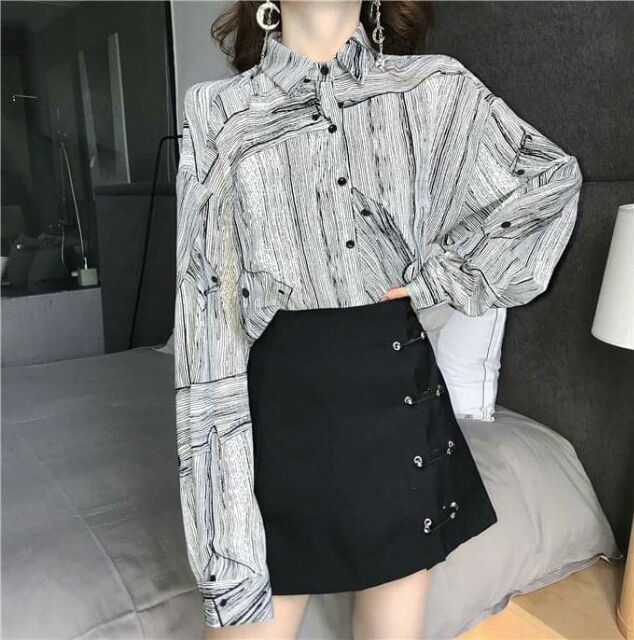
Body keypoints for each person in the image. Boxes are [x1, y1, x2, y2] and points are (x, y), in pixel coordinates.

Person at [174, 1, 583, 638]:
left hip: (397, 409)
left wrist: (439, 280)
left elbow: (548, 182)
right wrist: (221, 525)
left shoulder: (435, 89)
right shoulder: (218, 112)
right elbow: (206, 315)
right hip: (277, 420)